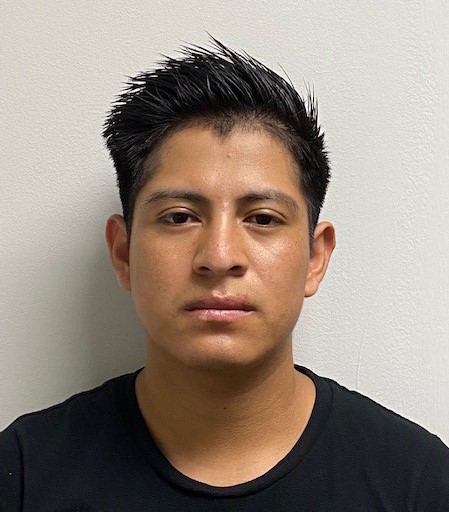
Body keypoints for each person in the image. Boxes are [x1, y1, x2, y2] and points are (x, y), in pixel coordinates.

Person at [1, 39, 448, 511]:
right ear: (124, 252)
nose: (218, 256)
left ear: (314, 258)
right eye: (179, 217)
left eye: (263, 218)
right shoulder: (24, 476)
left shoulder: (418, 485)